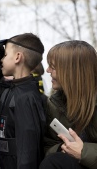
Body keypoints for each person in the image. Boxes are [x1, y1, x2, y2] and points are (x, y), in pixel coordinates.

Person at [0, 33, 47, 169]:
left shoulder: (27, 97)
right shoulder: (9, 89)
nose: (1, 59)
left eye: (5, 55)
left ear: (18, 57)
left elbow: (28, 150)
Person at [39, 40, 97, 169]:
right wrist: (62, 147)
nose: (47, 70)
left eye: (52, 67)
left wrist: (83, 152)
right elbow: (48, 147)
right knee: (54, 161)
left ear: (72, 71)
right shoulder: (55, 103)